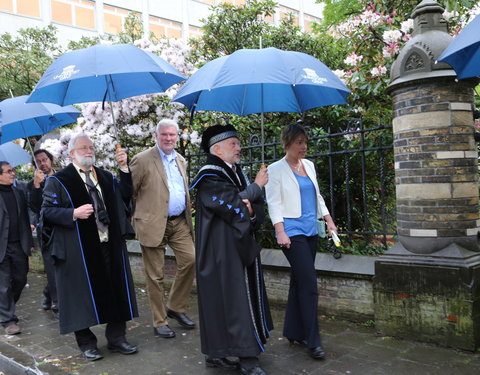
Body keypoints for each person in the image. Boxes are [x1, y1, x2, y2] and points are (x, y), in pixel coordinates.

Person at [41, 133, 138, 361]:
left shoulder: (104, 176)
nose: (89, 150)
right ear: (72, 153)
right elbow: (45, 212)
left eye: (91, 147)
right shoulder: (59, 181)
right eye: (83, 147)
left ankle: (117, 339)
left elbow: (124, 196)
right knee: (79, 296)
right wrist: (72, 213)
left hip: (108, 244)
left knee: (117, 289)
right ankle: (87, 344)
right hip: (79, 250)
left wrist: (124, 168)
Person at [190, 124, 272, 375]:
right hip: (220, 252)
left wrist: (252, 202)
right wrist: (256, 187)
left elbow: (255, 206)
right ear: (217, 149)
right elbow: (232, 206)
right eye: (233, 144)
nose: (239, 147)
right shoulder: (209, 176)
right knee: (231, 301)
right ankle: (246, 359)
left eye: (238, 143)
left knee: (231, 301)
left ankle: (220, 353)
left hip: (237, 245)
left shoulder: (236, 172)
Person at [265, 122, 337, 360]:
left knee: (299, 281)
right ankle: (313, 340)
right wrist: (280, 231)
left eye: (305, 142)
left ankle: (293, 331)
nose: (304, 146)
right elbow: (273, 202)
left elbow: (317, 196)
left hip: (310, 232)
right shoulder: (275, 169)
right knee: (309, 285)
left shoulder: (309, 165)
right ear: (287, 143)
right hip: (291, 233)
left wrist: (328, 220)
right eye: (299, 142)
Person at [130, 119, 196, 339]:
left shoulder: (181, 160)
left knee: (191, 260)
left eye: (173, 134)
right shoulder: (142, 160)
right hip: (152, 224)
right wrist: (137, 216)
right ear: (156, 136)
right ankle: (160, 321)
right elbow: (129, 191)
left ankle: (175, 306)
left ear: (178, 136)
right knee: (155, 276)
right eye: (164, 134)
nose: (169, 138)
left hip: (178, 222)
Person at [0, 161, 33, 335]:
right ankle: (8, 320)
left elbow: (25, 220)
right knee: (3, 285)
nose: (13, 174)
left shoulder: (18, 192)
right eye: (8, 171)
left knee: (20, 279)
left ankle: (5, 306)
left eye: (13, 170)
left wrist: (29, 243)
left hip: (19, 244)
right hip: (1, 247)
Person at [27, 149, 58, 317]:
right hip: (45, 231)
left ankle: (47, 292)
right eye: (38, 161)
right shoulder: (32, 185)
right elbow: (35, 208)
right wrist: (37, 186)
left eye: (45, 159)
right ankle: (57, 304)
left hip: (63, 226)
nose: (43, 163)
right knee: (51, 267)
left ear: (51, 160)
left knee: (63, 265)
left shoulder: (62, 177)